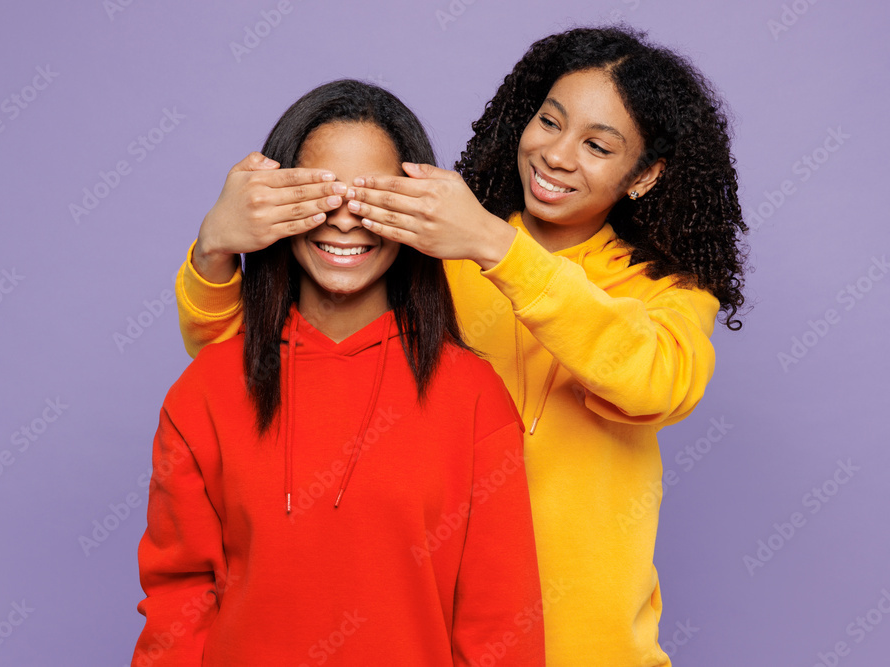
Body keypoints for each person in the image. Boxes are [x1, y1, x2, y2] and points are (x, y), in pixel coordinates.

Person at [172, 26, 748, 665]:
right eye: (548, 122)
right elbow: (258, 371)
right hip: (443, 640)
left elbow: (656, 382)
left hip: (591, 647)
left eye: (596, 146)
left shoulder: (663, 289)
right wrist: (214, 252)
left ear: (645, 175)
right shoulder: (437, 255)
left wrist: (497, 248)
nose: (557, 155)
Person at [133, 79, 544, 666]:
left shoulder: (475, 398)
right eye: (322, 195)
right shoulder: (204, 392)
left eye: (372, 198)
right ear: (274, 205)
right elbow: (178, 603)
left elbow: (501, 625)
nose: (346, 222)